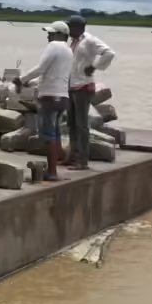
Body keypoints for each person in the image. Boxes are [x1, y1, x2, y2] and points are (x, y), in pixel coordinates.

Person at [14, 21, 74, 181]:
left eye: (52, 33)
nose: (48, 36)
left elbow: (41, 68)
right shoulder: (68, 51)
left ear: (61, 35)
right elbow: (52, 74)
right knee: (55, 132)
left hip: (50, 98)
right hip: (62, 97)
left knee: (49, 136)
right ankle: (60, 156)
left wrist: (22, 79)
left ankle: (52, 172)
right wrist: (32, 82)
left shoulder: (54, 46)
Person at [65, 14, 115, 170]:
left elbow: (109, 53)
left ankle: (82, 160)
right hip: (72, 86)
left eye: (70, 27)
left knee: (81, 125)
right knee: (71, 123)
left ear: (78, 28)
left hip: (84, 87)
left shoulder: (90, 40)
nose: (68, 30)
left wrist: (95, 66)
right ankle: (73, 156)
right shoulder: (73, 42)